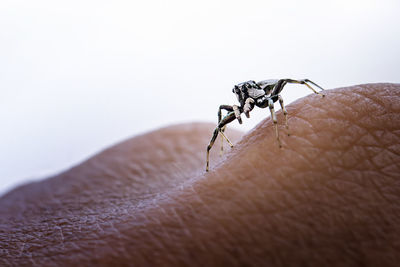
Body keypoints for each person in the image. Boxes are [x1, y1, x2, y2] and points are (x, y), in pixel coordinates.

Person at [0, 83, 399, 266]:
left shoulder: (267, 94)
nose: (243, 103)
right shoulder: (237, 105)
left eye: (246, 97)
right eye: (242, 98)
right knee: (216, 130)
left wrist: (309, 104)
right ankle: (215, 153)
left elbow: (281, 90)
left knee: (332, 109)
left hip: (287, 111)